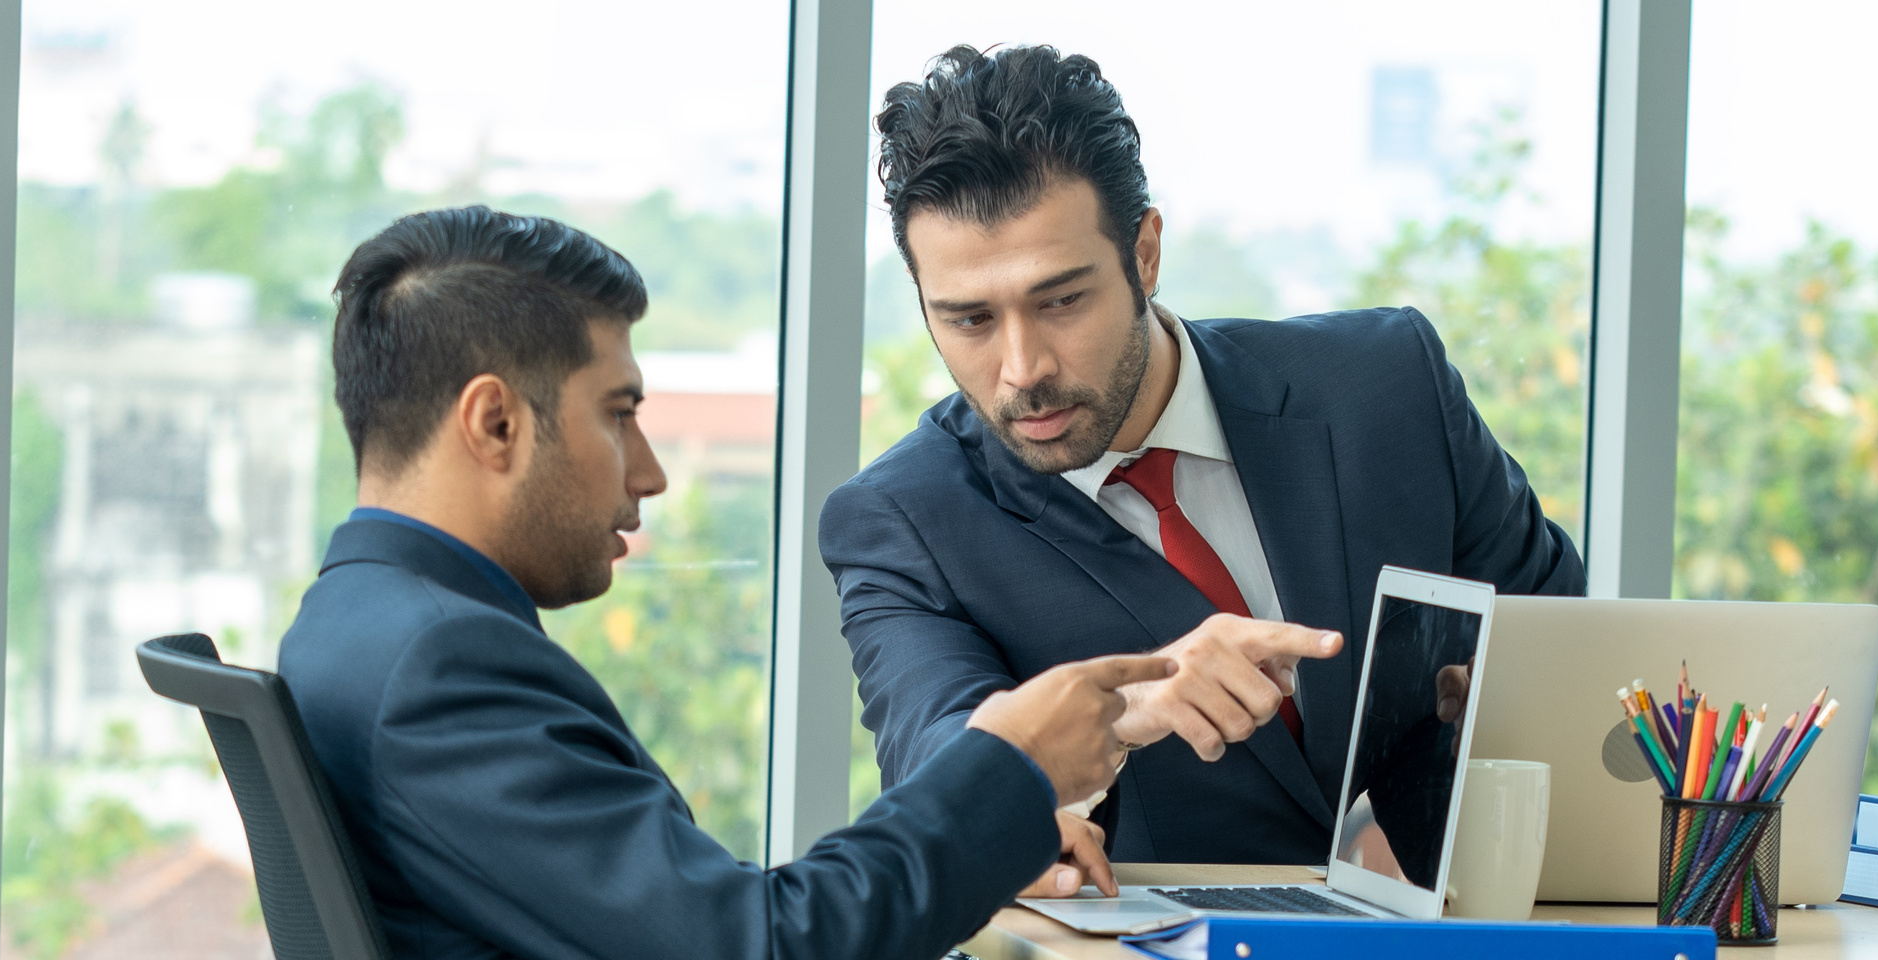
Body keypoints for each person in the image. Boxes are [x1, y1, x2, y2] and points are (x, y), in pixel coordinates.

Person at [277, 205, 1175, 960]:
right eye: (619, 415)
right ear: (495, 423)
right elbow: (761, 947)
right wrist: (1011, 765)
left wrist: (982, 838)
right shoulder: (446, 668)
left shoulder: (346, 623)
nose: (650, 473)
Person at [824, 44, 1588, 893]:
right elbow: (943, 772)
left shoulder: (1389, 384)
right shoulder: (903, 520)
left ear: (1145, 254)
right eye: (968, 319)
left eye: (1062, 300)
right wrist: (1122, 716)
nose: (1021, 368)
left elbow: (1561, 639)